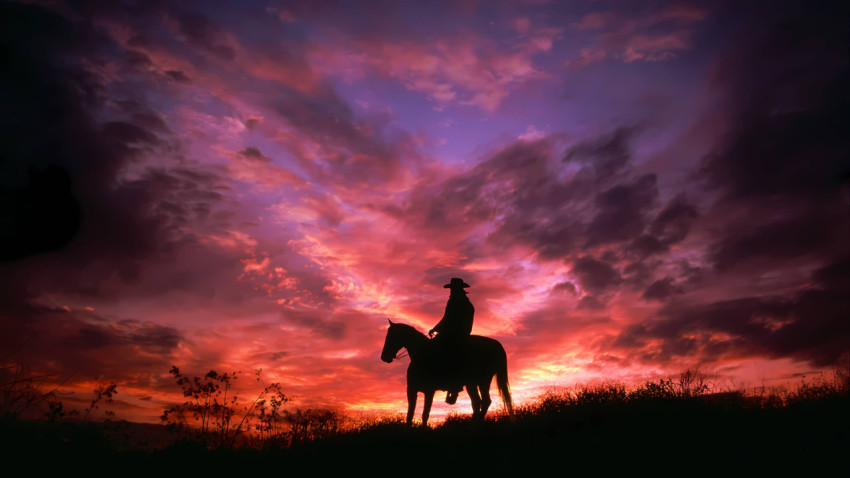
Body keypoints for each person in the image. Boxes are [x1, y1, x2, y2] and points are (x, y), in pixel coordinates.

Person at [428, 277, 474, 404]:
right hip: (461, 333)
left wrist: (436, 329)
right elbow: (448, 318)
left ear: (457, 289)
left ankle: (450, 383)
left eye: (453, 289)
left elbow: (447, 318)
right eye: (451, 289)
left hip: (455, 334)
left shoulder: (455, 301)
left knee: (438, 351)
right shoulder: (465, 302)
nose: (451, 291)